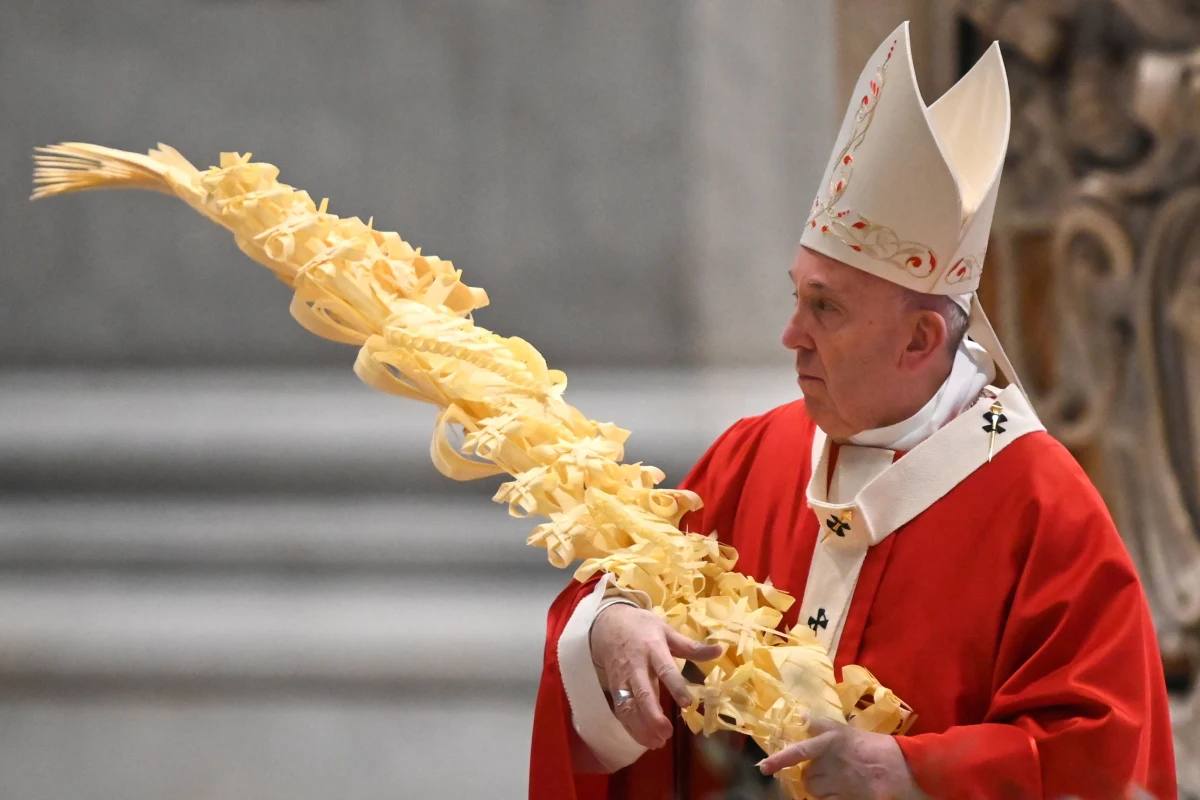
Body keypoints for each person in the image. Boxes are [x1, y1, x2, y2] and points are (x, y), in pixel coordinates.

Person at [528, 22, 1177, 800]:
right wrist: (608, 628)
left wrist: (910, 773)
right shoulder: (752, 455)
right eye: (797, 296)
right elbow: (627, 585)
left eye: (825, 309)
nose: (790, 335)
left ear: (920, 338)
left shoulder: (1045, 511)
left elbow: (1102, 760)